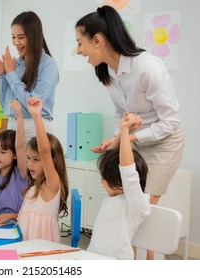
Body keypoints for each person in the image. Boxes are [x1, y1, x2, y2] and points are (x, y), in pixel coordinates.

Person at [75, 5, 185, 206]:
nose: (79, 50)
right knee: (123, 200)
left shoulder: (146, 67)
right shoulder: (107, 71)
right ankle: (125, 239)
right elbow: (120, 112)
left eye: (80, 43)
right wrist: (117, 139)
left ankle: (136, 239)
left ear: (97, 40)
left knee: (142, 206)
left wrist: (127, 137)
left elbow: (171, 121)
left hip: (164, 140)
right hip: (134, 136)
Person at [87, 112, 151, 260]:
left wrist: (124, 130)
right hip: (94, 256)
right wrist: (126, 132)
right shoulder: (114, 195)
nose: (101, 180)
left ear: (119, 184)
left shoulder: (135, 202)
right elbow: (110, 155)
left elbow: (128, 172)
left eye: (103, 177)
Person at [0, 11, 59, 141]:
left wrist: (10, 74)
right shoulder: (16, 63)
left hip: (35, 128)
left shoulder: (48, 65)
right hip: (12, 126)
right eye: (13, 37)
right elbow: (6, 105)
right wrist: (1, 74)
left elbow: (32, 104)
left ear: (33, 37)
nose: (16, 42)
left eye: (21, 37)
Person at [17, 97, 68, 243]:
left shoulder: (51, 185)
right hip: (25, 248)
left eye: (36, 159)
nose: (30, 164)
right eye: (29, 158)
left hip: (40, 253)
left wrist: (36, 116)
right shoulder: (33, 188)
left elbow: (45, 151)